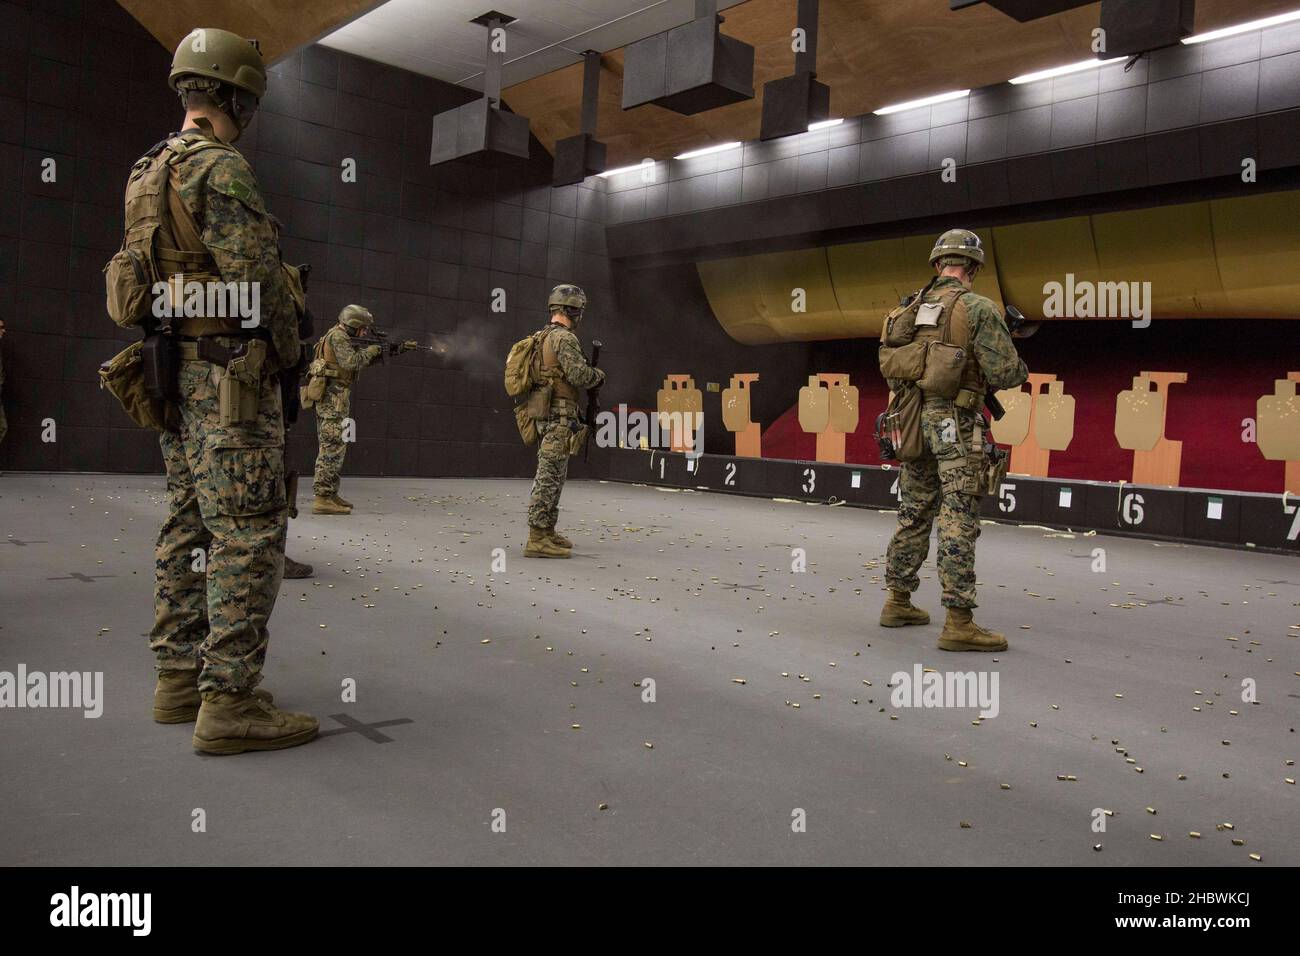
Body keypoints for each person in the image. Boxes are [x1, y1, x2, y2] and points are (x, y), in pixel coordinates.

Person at [142, 27, 317, 752]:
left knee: (188, 525)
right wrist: (286, 354)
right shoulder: (222, 169)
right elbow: (255, 284)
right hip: (229, 379)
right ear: (238, 96)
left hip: (174, 374)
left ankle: (179, 679)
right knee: (247, 534)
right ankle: (231, 703)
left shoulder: (147, 169)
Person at [879, 229, 1028, 651]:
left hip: (909, 418)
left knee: (914, 508)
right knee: (958, 511)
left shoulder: (907, 308)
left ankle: (898, 600)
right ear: (974, 268)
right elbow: (1005, 374)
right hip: (954, 423)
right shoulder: (978, 308)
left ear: (937, 265)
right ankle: (959, 621)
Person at [304, 305, 413, 514]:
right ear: (353, 325)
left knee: (336, 446)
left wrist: (394, 350)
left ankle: (330, 493)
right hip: (332, 400)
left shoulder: (337, 335)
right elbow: (352, 362)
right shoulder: (338, 337)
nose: (365, 332)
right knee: (331, 447)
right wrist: (373, 350)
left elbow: (360, 361)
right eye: (362, 328)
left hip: (334, 399)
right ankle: (322, 498)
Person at [524, 284, 605, 558]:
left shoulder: (542, 336)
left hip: (549, 414)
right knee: (549, 476)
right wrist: (598, 375)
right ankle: (537, 538)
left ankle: (546, 531)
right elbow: (579, 376)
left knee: (555, 474)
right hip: (558, 416)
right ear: (572, 310)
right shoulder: (564, 339)